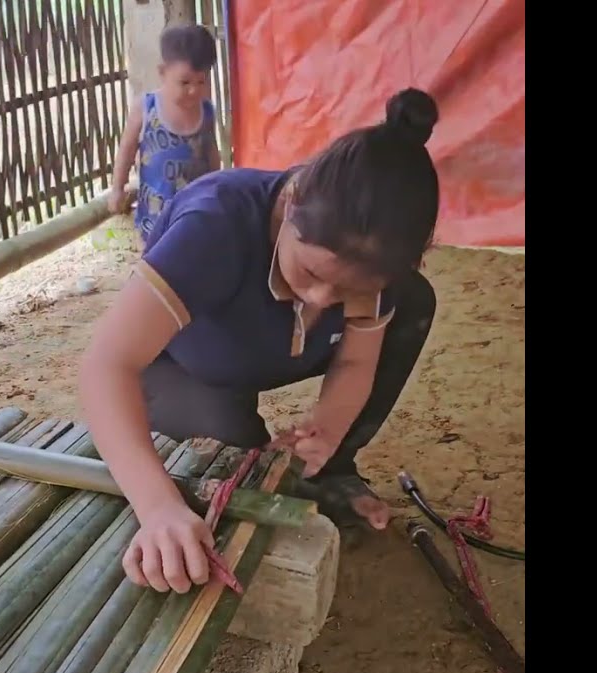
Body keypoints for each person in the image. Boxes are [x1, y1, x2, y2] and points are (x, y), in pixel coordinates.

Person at [81, 88, 442, 594]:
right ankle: (233, 442)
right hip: (184, 366)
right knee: (236, 472)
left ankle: (331, 474)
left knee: (414, 304)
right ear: (292, 202)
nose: (319, 298)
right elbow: (105, 366)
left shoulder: (369, 253)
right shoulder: (213, 226)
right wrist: (158, 506)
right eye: (312, 271)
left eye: (349, 291)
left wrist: (328, 433)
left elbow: (357, 363)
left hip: (261, 351)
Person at [107, 23, 221, 242]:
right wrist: (117, 188)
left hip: (196, 214)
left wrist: (216, 186)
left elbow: (211, 153)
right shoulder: (147, 108)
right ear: (162, 72)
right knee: (156, 266)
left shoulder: (206, 112)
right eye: (184, 82)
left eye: (201, 81)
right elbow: (127, 148)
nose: (194, 90)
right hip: (155, 217)